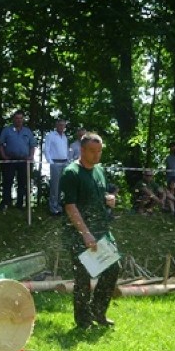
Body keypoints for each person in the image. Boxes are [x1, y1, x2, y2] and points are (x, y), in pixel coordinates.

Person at [61, 132, 121, 329]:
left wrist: (109, 198)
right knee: (84, 276)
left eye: (100, 151)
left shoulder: (99, 170)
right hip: (78, 233)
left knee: (113, 268)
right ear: (82, 150)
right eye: (93, 151)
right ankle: (83, 321)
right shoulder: (71, 173)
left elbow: (99, 192)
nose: (97, 155)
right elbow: (71, 206)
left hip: (101, 230)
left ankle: (98, 312)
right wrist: (85, 233)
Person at [0, 110, 36, 210]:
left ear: (23, 120)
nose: (19, 120)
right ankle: (6, 203)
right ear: (13, 119)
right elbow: (0, 144)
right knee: (7, 181)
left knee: (22, 183)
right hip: (10, 160)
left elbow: (32, 145)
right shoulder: (7, 130)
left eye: (20, 118)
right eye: (17, 118)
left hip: (23, 160)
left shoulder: (27, 131)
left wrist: (31, 156)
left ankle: (20, 204)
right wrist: (4, 156)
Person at [44, 118, 69, 215]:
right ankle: (53, 208)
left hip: (64, 163)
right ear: (56, 125)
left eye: (63, 125)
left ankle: (59, 206)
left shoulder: (65, 137)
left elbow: (66, 150)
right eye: (60, 125)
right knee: (55, 186)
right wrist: (50, 162)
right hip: (55, 163)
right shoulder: (51, 135)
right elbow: (46, 149)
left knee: (61, 185)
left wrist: (67, 161)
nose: (62, 127)